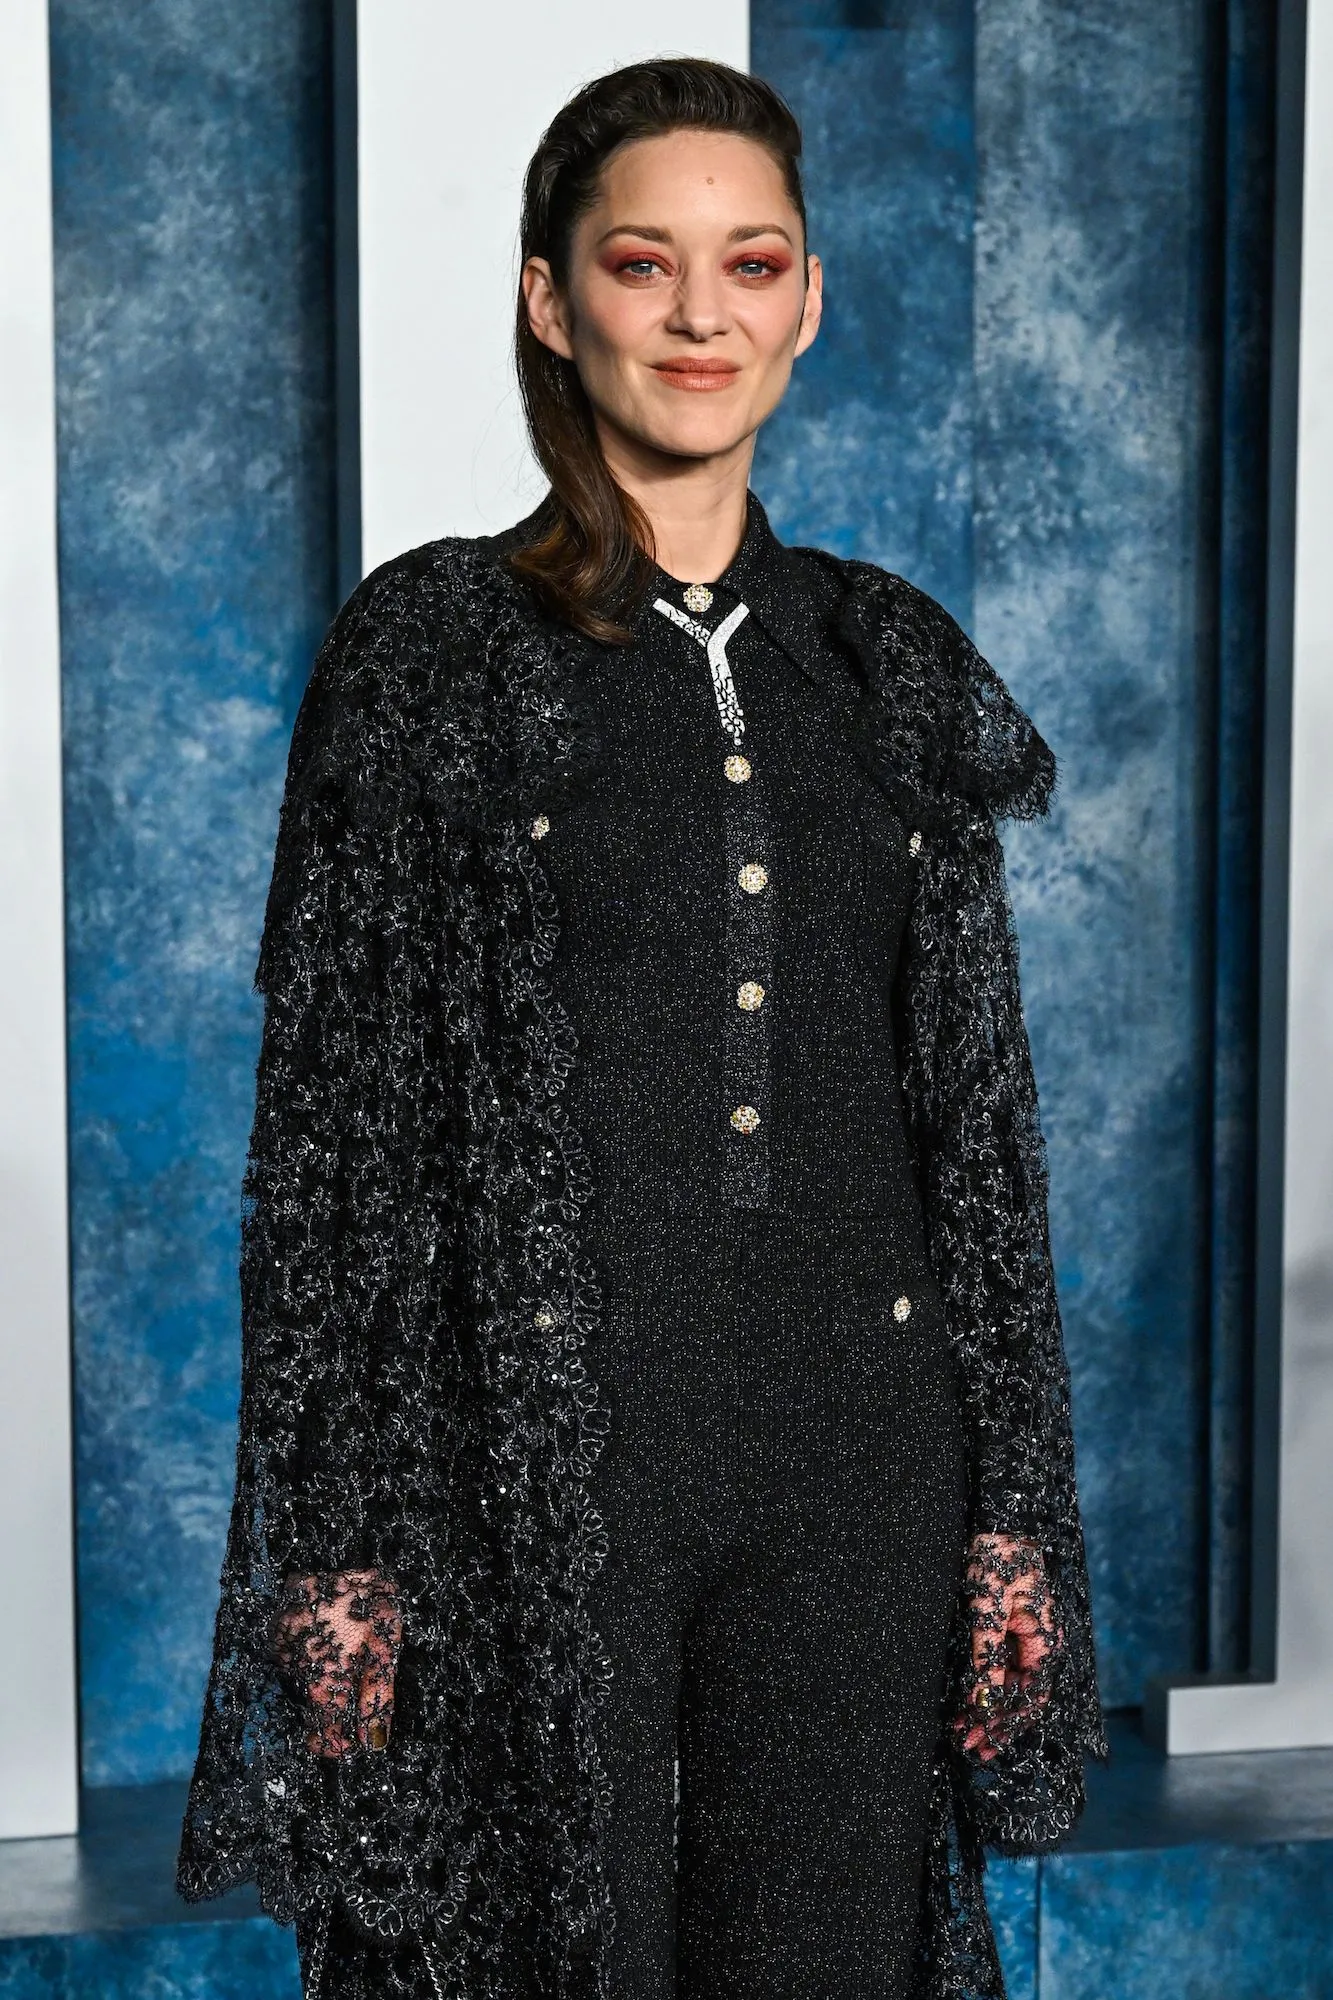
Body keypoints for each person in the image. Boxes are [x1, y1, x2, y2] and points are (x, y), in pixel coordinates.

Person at [178, 56, 1105, 2000]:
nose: (701, 315)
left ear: (808, 300)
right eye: (641, 262)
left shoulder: (882, 655)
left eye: (750, 263)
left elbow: (977, 1123)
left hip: (860, 1441)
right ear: (551, 298)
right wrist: (336, 1544)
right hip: (533, 1440)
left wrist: (1014, 1504)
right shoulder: (433, 650)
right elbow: (336, 1143)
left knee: (828, 1960)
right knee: (526, 1951)